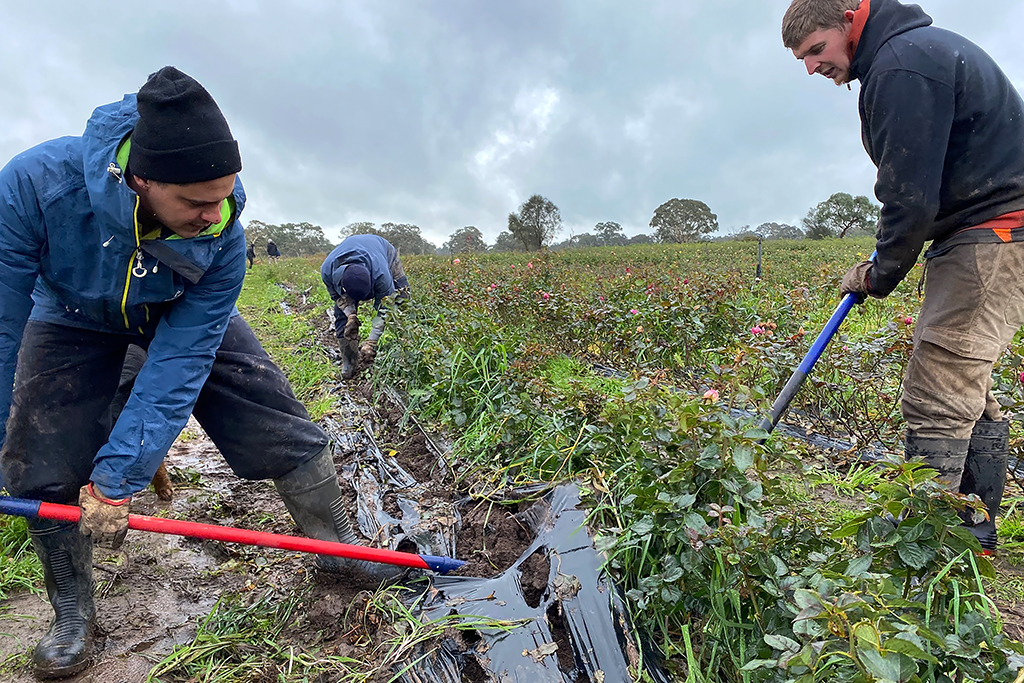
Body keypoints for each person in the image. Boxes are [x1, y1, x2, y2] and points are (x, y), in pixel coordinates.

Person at [0, 66, 399, 680]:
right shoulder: (35, 185)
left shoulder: (223, 238)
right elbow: (4, 321)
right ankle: (73, 613)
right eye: (194, 202)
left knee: (271, 413)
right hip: (72, 315)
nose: (214, 216)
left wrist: (118, 477)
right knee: (39, 459)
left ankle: (339, 550)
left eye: (224, 196)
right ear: (139, 180)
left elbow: (178, 363)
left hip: (177, 309)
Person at [782, 0, 1024, 552]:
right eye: (802, 59)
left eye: (817, 50)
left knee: (939, 387)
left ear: (850, 17)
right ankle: (975, 536)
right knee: (967, 384)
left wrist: (878, 272)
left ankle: (928, 552)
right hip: (984, 231)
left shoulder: (902, 66)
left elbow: (908, 194)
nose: (813, 68)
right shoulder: (910, 55)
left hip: (994, 233)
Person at [320, 235, 410, 379]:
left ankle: (408, 349)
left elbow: (385, 309)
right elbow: (337, 297)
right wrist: (350, 314)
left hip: (383, 251)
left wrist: (371, 341)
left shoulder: (382, 276)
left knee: (402, 299)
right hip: (352, 263)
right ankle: (349, 362)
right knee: (341, 315)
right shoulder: (327, 271)